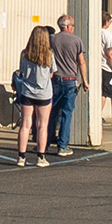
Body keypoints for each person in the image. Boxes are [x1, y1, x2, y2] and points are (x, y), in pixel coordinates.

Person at [13, 26, 55, 167]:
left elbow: (22, 71)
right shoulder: (49, 54)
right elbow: (51, 73)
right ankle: (41, 157)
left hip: (27, 91)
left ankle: (21, 157)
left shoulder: (25, 53)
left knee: (25, 124)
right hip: (44, 92)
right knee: (42, 125)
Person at [47, 15, 86, 155]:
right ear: (68, 26)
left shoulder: (51, 39)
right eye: (73, 25)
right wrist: (85, 81)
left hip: (55, 79)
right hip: (70, 79)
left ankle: (45, 142)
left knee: (52, 112)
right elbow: (81, 61)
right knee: (66, 113)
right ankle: (62, 145)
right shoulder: (76, 40)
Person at [99, 11, 112, 120]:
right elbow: (109, 54)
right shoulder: (107, 36)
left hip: (96, 67)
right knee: (104, 93)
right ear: (106, 22)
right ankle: (97, 115)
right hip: (105, 67)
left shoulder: (94, 33)